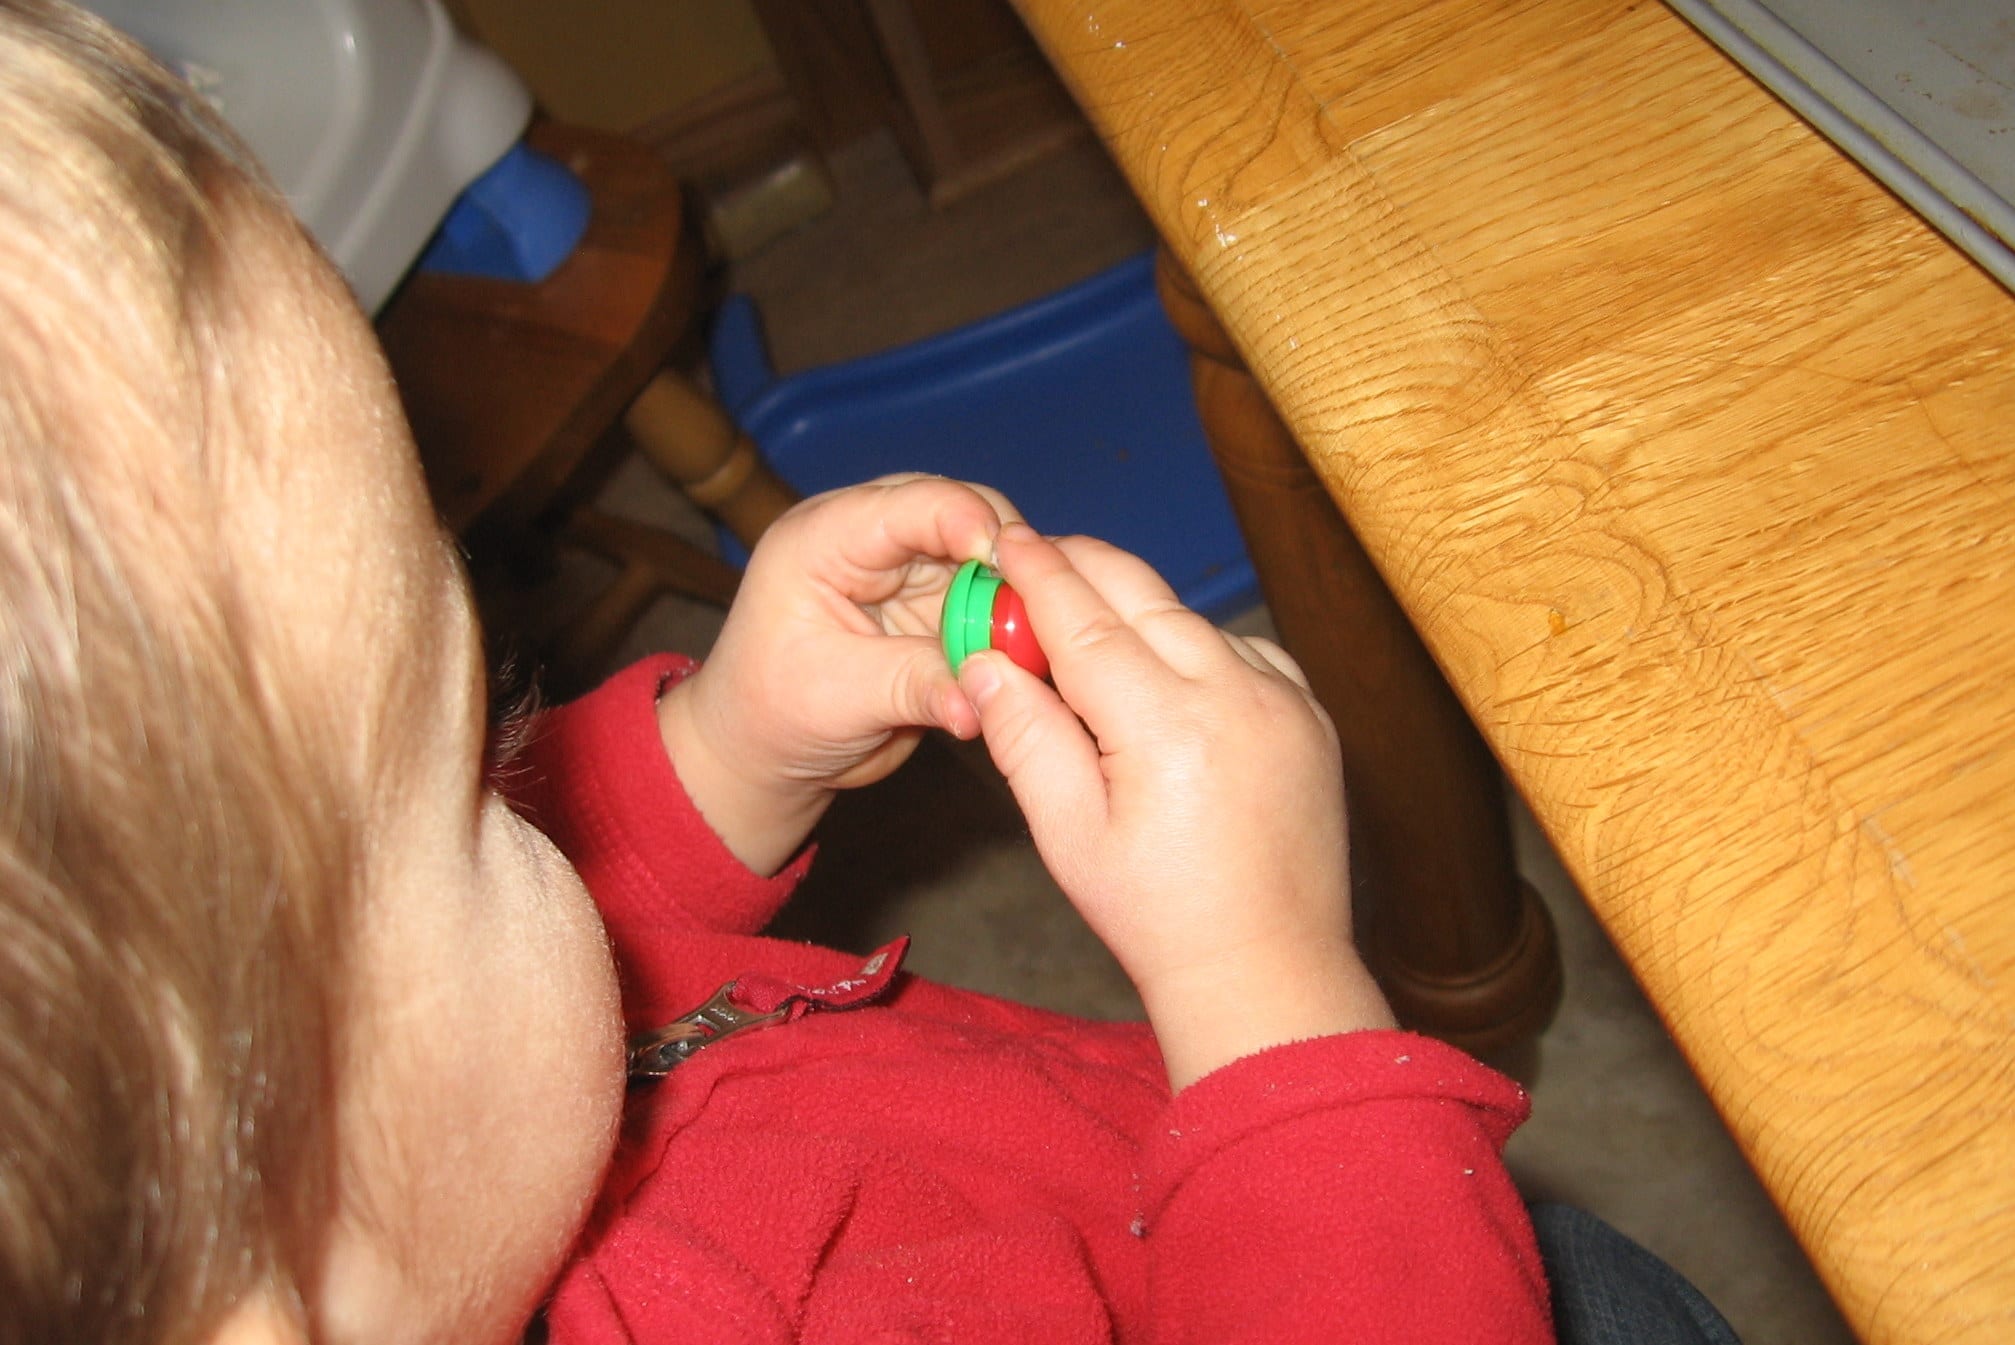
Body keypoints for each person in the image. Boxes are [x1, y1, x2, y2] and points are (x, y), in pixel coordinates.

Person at [0, 2, 1566, 1341]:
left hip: (1133, 1146)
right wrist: (1273, 998)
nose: (525, 793)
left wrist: (726, 749)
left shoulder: (438, 1164)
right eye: (471, 770)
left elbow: (532, 967)